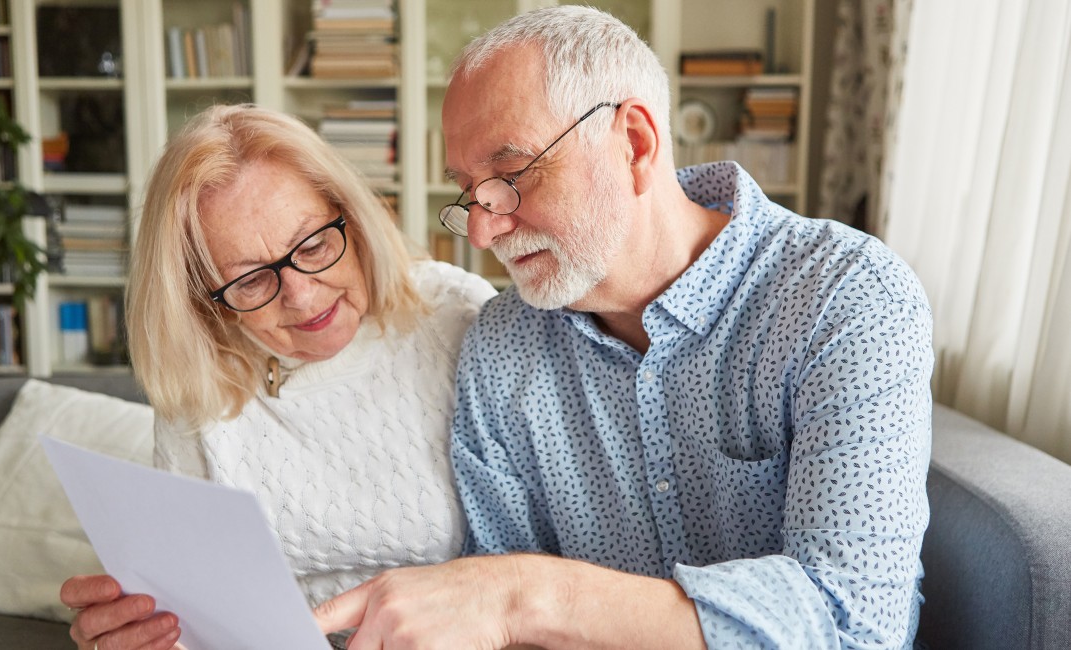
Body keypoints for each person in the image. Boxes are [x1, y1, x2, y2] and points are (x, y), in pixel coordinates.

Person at [314, 6, 933, 649]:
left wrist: (525, 596)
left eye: (512, 174)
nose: (480, 228)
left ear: (634, 144)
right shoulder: (502, 347)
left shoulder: (844, 298)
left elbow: (855, 626)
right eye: (470, 190)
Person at [58, 104, 497, 650]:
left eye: (313, 245)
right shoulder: (203, 384)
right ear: (206, 300)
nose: (302, 295)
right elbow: (199, 612)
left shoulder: (457, 317)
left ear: (353, 218)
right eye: (250, 281)